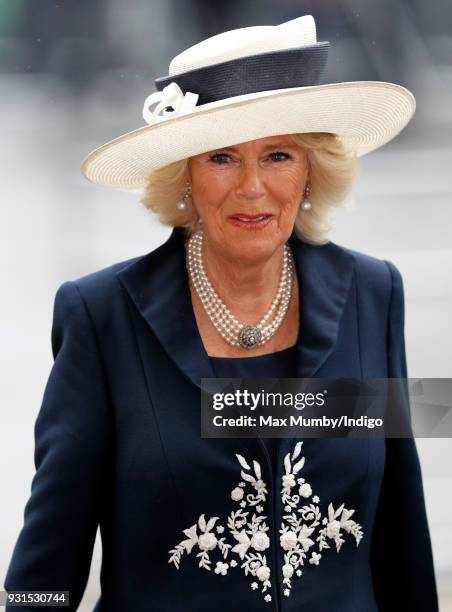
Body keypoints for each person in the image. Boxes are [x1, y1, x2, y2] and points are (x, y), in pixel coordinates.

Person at [4, 14, 438, 612]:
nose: (253, 187)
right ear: (185, 175)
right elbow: (44, 570)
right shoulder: (101, 317)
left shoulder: (372, 291)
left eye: (279, 155)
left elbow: (400, 536)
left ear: (312, 170)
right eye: (222, 158)